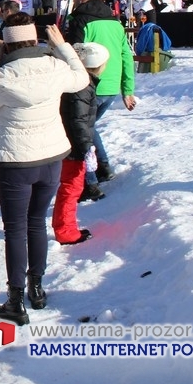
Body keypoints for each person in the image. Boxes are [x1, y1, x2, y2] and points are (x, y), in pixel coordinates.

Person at [0, 15, 89, 325]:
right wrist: (63, 46)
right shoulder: (55, 66)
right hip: (51, 156)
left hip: (15, 161)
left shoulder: (2, 76)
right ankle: (36, 288)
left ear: (6, 42)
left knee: (15, 229)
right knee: (36, 223)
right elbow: (81, 78)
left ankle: (15, 298)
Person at [64, 0, 137, 199]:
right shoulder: (115, 22)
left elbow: (73, 54)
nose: (74, 2)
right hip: (111, 84)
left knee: (80, 132)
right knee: (89, 126)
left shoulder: (81, 21)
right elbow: (126, 54)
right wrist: (127, 88)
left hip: (89, 84)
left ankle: (91, 181)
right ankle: (103, 167)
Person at [53, 42, 109, 246]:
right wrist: (85, 148)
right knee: (71, 188)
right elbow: (78, 121)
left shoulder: (82, 83)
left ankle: (65, 227)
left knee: (70, 187)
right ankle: (66, 231)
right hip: (72, 147)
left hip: (69, 143)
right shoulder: (82, 87)